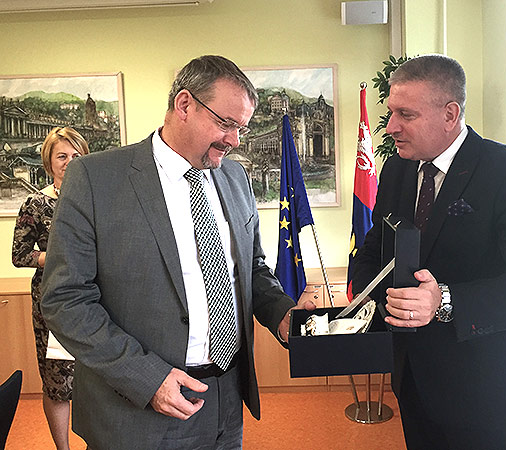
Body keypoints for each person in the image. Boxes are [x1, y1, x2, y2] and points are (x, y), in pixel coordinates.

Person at [41, 55, 315, 450]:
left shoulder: (235, 177)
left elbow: (251, 268)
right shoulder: (95, 178)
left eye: (241, 128)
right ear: (184, 105)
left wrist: (281, 314)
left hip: (226, 399)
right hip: (135, 410)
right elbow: (65, 299)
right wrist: (147, 378)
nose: (235, 140)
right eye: (226, 123)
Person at [351, 54, 506, 450]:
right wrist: (368, 304)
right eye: (391, 113)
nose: (391, 126)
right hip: (412, 381)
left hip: (483, 393)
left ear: (450, 114)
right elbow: (373, 251)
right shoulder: (397, 169)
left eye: (406, 114)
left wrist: (445, 301)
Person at [12, 126, 89, 450]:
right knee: (58, 383)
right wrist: (53, 256)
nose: (69, 161)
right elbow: (19, 255)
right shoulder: (36, 204)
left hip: (96, 300)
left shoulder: (97, 200)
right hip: (53, 303)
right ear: (49, 162)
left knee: (97, 381)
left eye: (76, 155)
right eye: (62, 156)